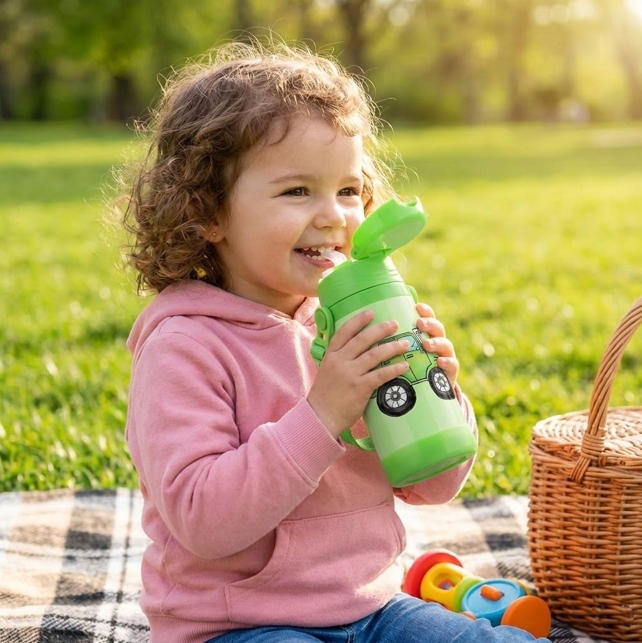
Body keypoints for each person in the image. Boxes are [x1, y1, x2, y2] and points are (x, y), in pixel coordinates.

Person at [117, 39, 551, 643]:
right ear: (208, 212)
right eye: (297, 191)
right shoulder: (184, 347)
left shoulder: (351, 322)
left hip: (372, 607)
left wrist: (438, 399)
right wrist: (323, 414)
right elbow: (203, 521)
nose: (334, 216)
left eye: (348, 190)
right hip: (240, 625)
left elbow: (429, 487)